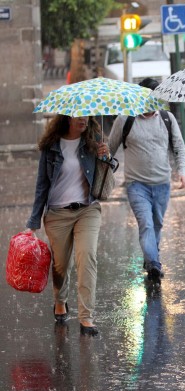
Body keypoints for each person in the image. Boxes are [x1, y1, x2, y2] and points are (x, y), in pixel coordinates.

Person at [26, 114, 111, 336]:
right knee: (61, 265)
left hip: (87, 209)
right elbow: (41, 185)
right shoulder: (52, 146)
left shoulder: (93, 140)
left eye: (86, 116)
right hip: (57, 214)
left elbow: (105, 179)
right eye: (78, 117)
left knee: (87, 256)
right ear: (67, 118)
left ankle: (86, 318)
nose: (83, 120)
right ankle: (60, 300)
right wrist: (33, 222)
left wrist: (105, 158)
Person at [108, 77, 185, 284]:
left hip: (162, 183)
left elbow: (179, 146)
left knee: (157, 224)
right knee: (146, 225)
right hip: (136, 185)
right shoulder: (125, 119)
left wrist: (182, 172)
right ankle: (153, 263)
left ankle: (151, 257)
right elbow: (110, 149)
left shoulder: (167, 118)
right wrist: (101, 166)